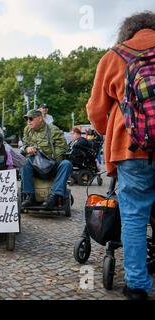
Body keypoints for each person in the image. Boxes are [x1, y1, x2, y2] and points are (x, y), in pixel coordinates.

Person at [86, 11, 155, 300]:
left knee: (135, 216)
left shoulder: (115, 56)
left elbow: (96, 111)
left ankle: (137, 285)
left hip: (132, 148)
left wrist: (112, 127)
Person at [20, 109, 72, 209]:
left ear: (40, 118)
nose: (28, 121)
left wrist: (49, 160)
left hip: (51, 165)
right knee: (24, 162)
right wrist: (27, 148)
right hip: (36, 166)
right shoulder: (27, 129)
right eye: (27, 119)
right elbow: (24, 145)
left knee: (66, 164)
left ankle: (53, 197)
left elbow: (62, 148)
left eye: (31, 119)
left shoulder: (53, 130)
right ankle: (29, 196)